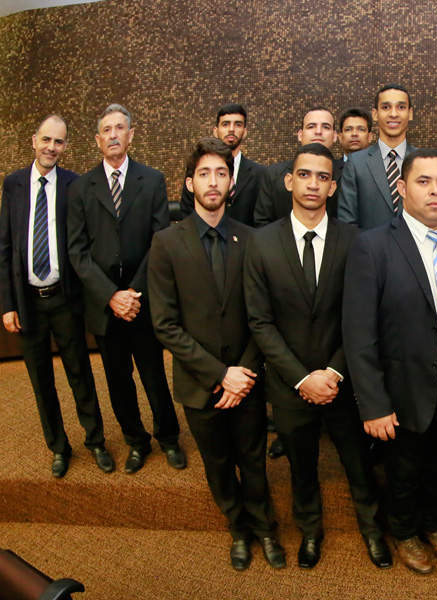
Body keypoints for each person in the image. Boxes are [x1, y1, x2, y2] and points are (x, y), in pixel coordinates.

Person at [245, 143, 390, 570]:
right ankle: (310, 531)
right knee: (301, 465)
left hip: (343, 379)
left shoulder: (354, 241)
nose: (313, 183)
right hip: (291, 386)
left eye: (322, 177)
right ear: (290, 181)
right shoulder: (262, 242)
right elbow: (260, 322)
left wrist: (331, 371)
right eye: (304, 175)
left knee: (358, 463)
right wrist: (301, 378)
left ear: (332, 186)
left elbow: (361, 318)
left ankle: (372, 529)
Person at [343, 149, 437, 575]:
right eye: (423, 182)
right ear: (402, 188)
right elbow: (358, 333)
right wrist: (373, 403)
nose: (435, 190)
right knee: (403, 469)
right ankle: (404, 532)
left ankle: (434, 524)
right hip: (399, 387)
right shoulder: (372, 246)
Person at [149, 138, 283, 571]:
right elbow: (166, 324)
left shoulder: (253, 240)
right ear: (190, 184)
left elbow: (262, 316)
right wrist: (219, 374)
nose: (213, 181)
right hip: (199, 382)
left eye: (221, 173)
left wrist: (242, 371)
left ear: (231, 182)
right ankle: (238, 529)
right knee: (219, 463)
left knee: (253, 457)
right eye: (204, 174)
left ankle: (265, 527)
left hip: (247, 378)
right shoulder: (166, 243)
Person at [67, 104, 183, 474]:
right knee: (118, 380)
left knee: (153, 374)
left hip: (143, 300)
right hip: (104, 306)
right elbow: (77, 250)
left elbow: (159, 241)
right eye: (107, 129)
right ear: (98, 140)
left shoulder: (151, 180)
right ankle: (136, 441)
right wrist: (111, 297)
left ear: (131, 135)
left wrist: (131, 293)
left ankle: (168, 438)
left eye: (121, 128)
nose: (114, 135)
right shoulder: (81, 187)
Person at [0, 115, 110, 478]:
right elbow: (4, 249)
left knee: (80, 372)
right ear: (34, 140)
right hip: (28, 301)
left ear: (65, 146)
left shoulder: (74, 186)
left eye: (59, 142)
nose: (51, 147)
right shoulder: (13, 184)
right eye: (46, 139)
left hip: (65, 300)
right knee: (40, 380)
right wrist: (7, 304)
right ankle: (59, 447)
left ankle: (95, 441)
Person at [338, 84, 418, 230]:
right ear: (375, 114)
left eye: (401, 107)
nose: (393, 114)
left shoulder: (423, 161)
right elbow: (347, 224)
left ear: (410, 113)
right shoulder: (356, 163)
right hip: (369, 251)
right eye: (386, 107)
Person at [254, 107, 343, 226]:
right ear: (300, 135)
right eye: (311, 126)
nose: (318, 132)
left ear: (335, 136)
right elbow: (262, 222)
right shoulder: (274, 174)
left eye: (325, 127)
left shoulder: (349, 173)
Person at [179, 103, 262, 226]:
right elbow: (187, 211)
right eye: (225, 124)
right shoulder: (197, 168)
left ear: (244, 132)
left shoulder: (260, 174)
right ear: (215, 131)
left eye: (238, 124)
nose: (231, 129)